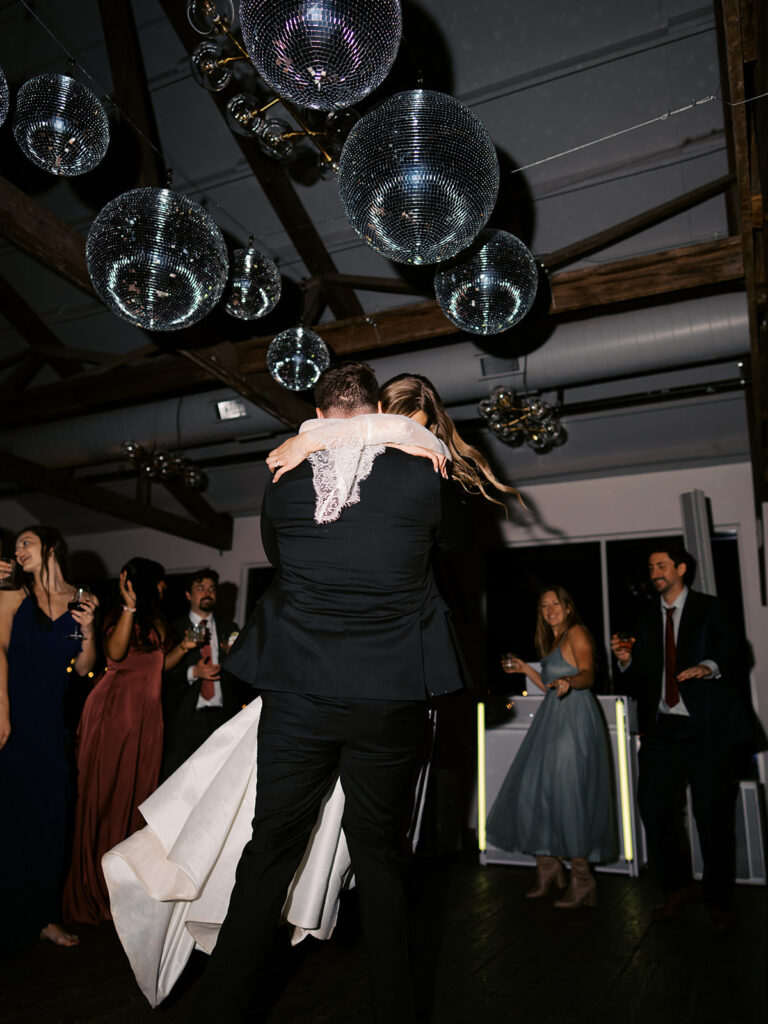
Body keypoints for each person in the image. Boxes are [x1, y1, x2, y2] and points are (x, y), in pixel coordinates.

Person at [192, 361, 467, 1024]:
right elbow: (450, 547)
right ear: (378, 410)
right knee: (381, 859)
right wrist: (407, 438)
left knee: (268, 854)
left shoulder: (284, 477)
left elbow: (280, 561)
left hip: (299, 694)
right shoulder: (425, 471)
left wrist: (316, 441)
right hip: (389, 696)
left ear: (318, 413)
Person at [610, 546, 751, 929]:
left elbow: (734, 648)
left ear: (681, 568)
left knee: (712, 817)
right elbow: (640, 674)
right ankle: (677, 888)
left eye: (661, 565)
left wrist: (708, 666)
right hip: (663, 732)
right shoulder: (645, 617)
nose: (654, 572)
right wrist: (626, 660)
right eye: (650, 567)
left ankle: (718, 902)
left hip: (707, 731)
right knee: (652, 806)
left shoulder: (710, 608)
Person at [63, 558, 194, 924]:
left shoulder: (157, 619)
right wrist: (129, 607)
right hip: (114, 714)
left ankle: (119, 889)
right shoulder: (117, 614)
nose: (165, 587)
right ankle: (88, 890)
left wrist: (184, 647)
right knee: (103, 797)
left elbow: (157, 665)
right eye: (161, 581)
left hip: (146, 719)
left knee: (134, 800)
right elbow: (116, 654)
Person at [0, 526, 97, 953]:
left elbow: (85, 667)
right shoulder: (12, 594)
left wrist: (89, 630)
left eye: (27, 542)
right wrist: (2, 710)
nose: (19, 550)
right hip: (11, 717)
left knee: (51, 819)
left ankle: (44, 917)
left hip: (52, 724)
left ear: (52, 548)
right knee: (10, 818)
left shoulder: (81, 599)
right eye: (17, 545)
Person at [486, 586, 616, 908]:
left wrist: (571, 681)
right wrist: (525, 669)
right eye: (544, 606)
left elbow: (587, 674)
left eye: (555, 603)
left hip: (574, 718)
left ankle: (582, 880)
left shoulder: (577, 632)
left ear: (568, 607)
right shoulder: (552, 641)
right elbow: (549, 685)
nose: (550, 610)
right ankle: (548, 867)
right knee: (532, 789)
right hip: (552, 717)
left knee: (567, 794)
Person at [267, 371, 520, 510]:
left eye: (419, 431)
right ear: (377, 414)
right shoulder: (343, 449)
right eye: (384, 429)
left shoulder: (435, 461)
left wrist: (308, 440)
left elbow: (406, 431)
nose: (402, 444)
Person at [160, 568, 247, 781]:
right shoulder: (173, 628)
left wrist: (236, 658)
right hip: (186, 719)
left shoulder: (230, 628)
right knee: (178, 782)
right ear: (188, 595)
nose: (208, 593)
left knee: (217, 782)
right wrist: (193, 672)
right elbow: (161, 673)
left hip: (223, 718)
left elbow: (242, 675)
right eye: (201, 588)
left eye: (212, 589)